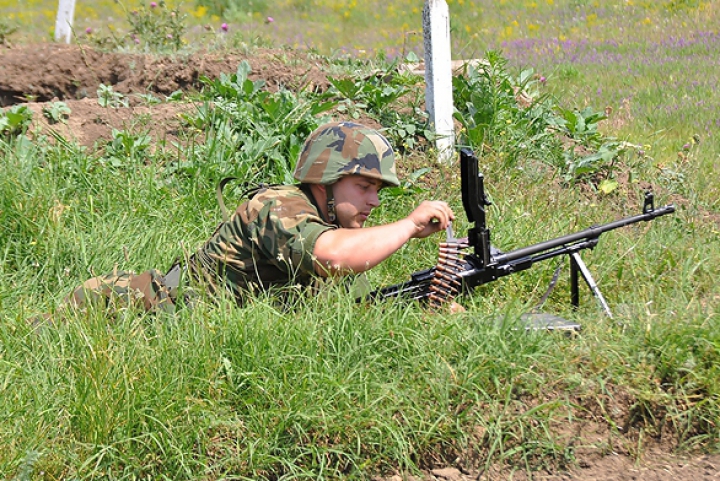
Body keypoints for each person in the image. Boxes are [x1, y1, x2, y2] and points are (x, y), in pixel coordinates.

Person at [62, 121, 455, 313]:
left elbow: (357, 309)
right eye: (364, 187)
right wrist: (408, 225)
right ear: (325, 181)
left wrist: (426, 303)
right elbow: (333, 257)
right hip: (135, 310)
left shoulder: (338, 230)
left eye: (379, 191)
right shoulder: (278, 206)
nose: (374, 201)